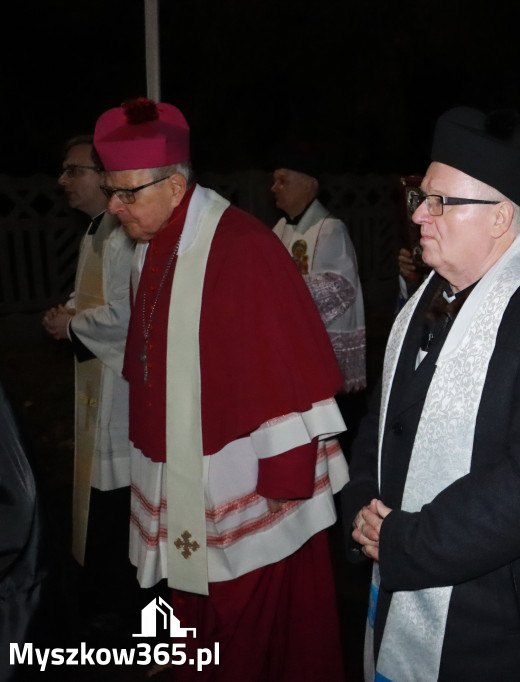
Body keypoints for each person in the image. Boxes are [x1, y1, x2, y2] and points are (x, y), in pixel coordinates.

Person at [342, 107, 520, 681]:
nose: (419, 214)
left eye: (440, 201)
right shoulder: (422, 303)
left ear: (498, 218)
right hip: (394, 567)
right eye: (421, 195)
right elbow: (382, 422)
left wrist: (407, 542)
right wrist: (363, 508)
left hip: (490, 621)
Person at [93, 97, 347, 680]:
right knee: (196, 602)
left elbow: (282, 365)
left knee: (248, 616)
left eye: (127, 193)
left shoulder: (243, 247)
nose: (114, 205)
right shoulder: (149, 246)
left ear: (176, 187)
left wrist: (286, 475)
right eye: (112, 190)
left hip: (244, 471)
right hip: (181, 463)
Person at [41, 135, 137, 621]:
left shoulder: (123, 236)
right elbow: (96, 299)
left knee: (118, 503)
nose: (63, 181)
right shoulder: (96, 231)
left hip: (120, 393)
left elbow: (128, 315)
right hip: (98, 382)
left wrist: (73, 324)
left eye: (72, 171)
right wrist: (72, 311)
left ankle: (124, 615)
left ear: (103, 177)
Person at [270, 142, 368, 442]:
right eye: (274, 181)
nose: (274, 188)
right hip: (292, 353)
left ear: (309, 185)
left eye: (283, 180)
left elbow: (341, 288)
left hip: (323, 357)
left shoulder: (330, 228)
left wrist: (283, 292)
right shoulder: (280, 229)